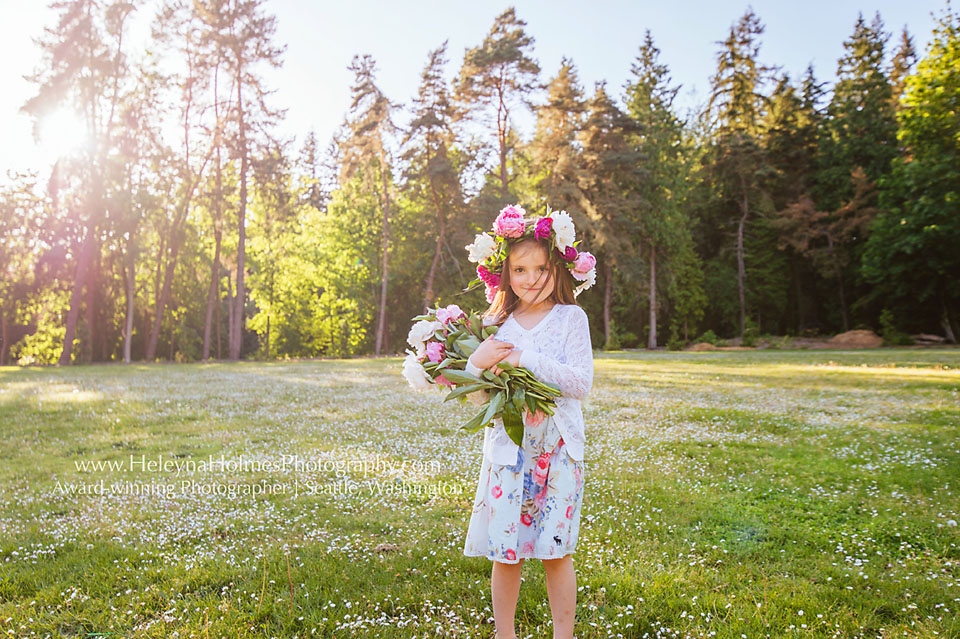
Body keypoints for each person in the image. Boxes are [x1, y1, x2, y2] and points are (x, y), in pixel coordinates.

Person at [461, 205, 596, 639]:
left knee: (556, 551)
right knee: (507, 552)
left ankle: (564, 635)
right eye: (520, 269)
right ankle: (505, 634)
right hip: (510, 453)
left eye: (541, 268)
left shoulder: (571, 319)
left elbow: (580, 382)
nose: (531, 278)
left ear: (558, 267)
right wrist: (476, 364)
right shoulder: (494, 324)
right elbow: (481, 395)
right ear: (504, 275)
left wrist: (526, 359)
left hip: (557, 451)